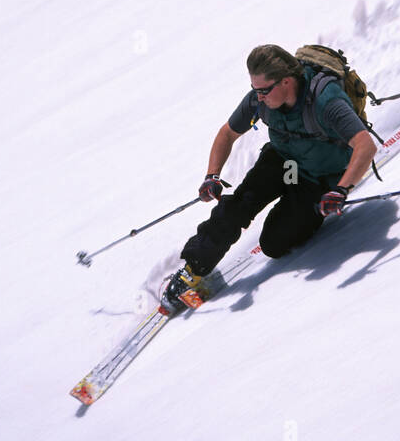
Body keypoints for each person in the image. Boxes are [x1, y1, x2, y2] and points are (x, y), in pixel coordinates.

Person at [160, 43, 377, 311]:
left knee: (273, 244)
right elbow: (227, 133)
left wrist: (341, 190)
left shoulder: (326, 100)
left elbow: (365, 145)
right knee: (238, 205)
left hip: (320, 177)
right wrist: (211, 175)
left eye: (263, 90)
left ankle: (310, 212)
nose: (258, 97)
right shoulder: (260, 98)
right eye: (255, 89)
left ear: (286, 82)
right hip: (284, 161)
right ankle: (194, 267)